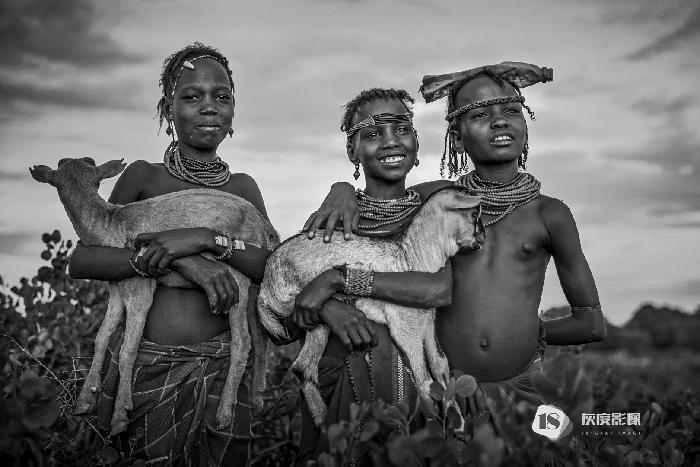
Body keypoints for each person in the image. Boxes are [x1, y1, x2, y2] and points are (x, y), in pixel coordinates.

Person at [303, 63, 607, 412]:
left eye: (512, 111)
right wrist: (342, 189)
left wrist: (527, 333)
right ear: (457, 137)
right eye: (480, 115)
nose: (500, 122)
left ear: (525, 125)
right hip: (444, 388)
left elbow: (590, 323)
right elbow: (379, 202)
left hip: (517, 389)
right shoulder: (435, 202)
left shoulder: (550, 215)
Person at [69, 43, 273, 465]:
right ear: (168, 109)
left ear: (233, 110)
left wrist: (208, 241)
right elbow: (84, 259)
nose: (209, 107)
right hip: (147, 365)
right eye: (192, 96)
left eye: (222, 96)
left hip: (224, 367)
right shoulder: (144, 177)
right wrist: (177, 260)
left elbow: (265, 268)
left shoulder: (243, 189)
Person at [287, 88, 474, 465]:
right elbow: (293, 319)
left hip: (423, 386)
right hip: (344, 388)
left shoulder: (434, 216)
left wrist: (339, 281)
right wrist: (327, 309)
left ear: (417, 143)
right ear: (352, 151)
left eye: (402, 129)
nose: (390, 141)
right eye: (373, 134)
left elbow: (439, 290)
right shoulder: (331, 225)